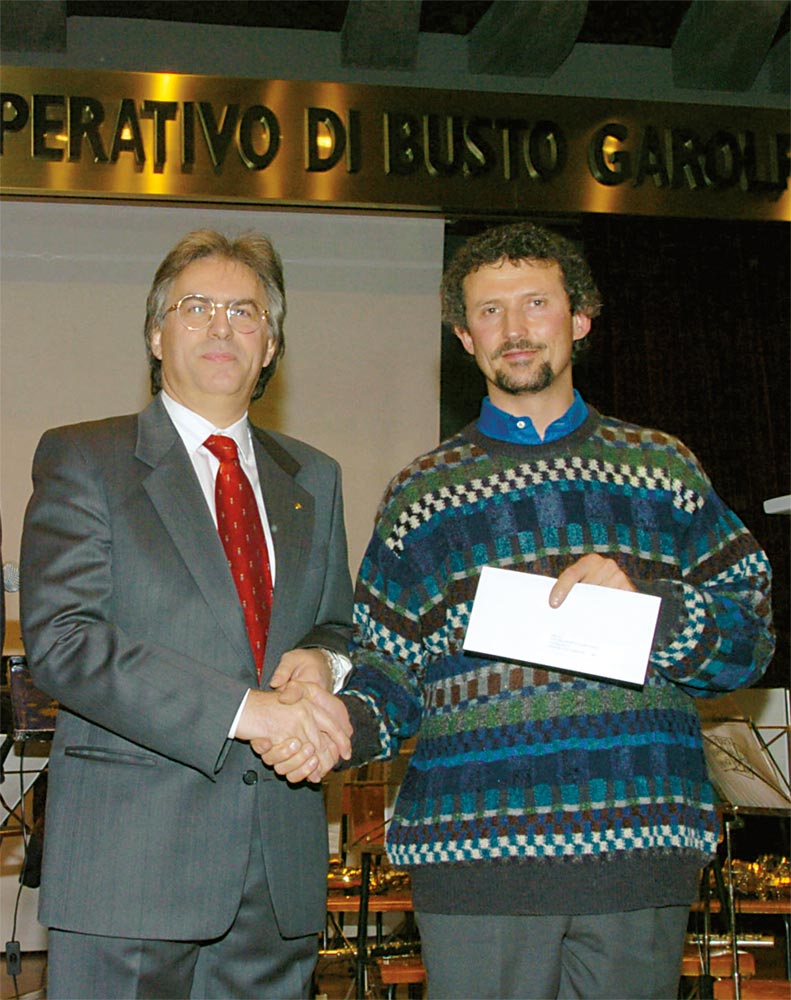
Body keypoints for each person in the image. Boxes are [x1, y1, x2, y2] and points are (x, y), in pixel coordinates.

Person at [266, 221, 775, 999]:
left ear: (580, 319)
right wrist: (324, 726)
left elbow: (749, 640)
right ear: (464, 338)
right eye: (489, 311)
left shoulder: (662, 468)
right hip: (475, 858)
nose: (513, 328)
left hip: (639, 851)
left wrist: (654, 611)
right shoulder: (421, 495)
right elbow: (387, 672)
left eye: (535, 303)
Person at [19, 229, 355, 1000]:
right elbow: (66, 642)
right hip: (129, 868)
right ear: (155, 333)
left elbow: (337, 624)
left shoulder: (316, 477)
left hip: (277, 873)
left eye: (244, 311)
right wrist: (248, 711)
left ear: (270, 346)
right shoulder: (84, 457)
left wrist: (322, 661)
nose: (220, 326)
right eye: (196, 306)